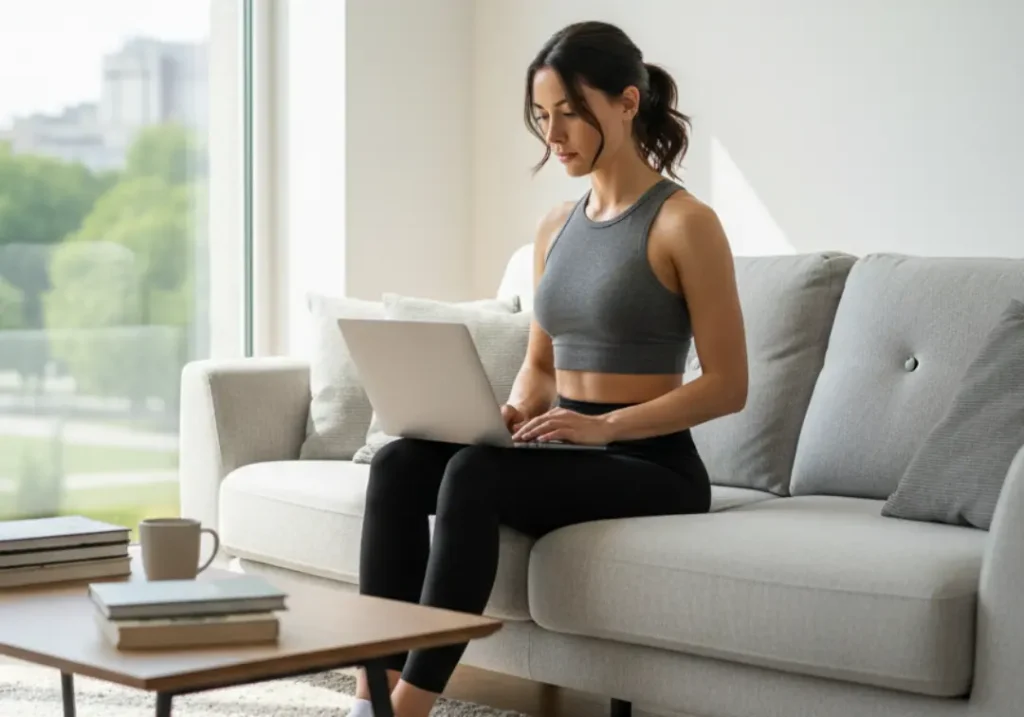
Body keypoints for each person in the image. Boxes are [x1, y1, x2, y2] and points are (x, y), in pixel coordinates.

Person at [348, 20, 748, 717]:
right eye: (541, 117)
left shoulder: (686, 223)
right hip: (563, 444)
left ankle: (410, 707)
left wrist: (607, 428)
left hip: (652, 464)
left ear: (627, 102)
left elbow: (728, 383)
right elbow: (539, 364)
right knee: (400, 463)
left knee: (474, 476)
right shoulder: (555, 226)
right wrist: (506, 413)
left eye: (568, 112)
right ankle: (370, 693)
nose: (552, 134)